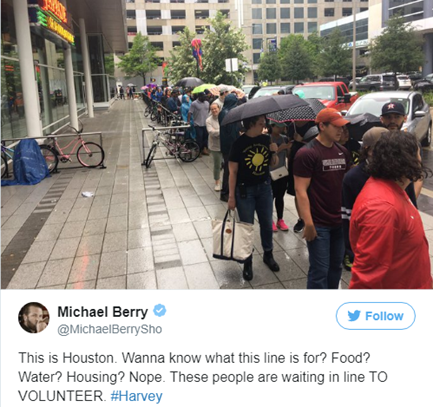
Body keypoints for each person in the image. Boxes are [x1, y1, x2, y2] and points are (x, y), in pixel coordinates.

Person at [349, 131, 432, 289]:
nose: (421, 159)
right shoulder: (382, 208)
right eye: (418, 154)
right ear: (409, 160)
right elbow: (365, 280)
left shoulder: (394, 190)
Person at [341, 127, 419, 272]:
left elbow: (411, 205)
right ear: (368, 150)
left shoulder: (399, 172)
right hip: (369, 247)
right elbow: (348, 217)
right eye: (382, 148)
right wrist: (350, 251)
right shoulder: (353, 178)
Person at [294, 108, 351, 289]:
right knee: (319, 270)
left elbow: (346, 186)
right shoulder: (307, 153)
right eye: (336, 126)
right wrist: (308, 223)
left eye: (342, 127)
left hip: (339, 222)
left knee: (335, 268)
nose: (341, 130)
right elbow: (300, 190)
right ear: (322, 126)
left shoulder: (343, 152)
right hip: (319, 224)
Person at [228, 114, 280, 281]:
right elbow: (232, 172)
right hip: (245, 191)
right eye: (260, 123)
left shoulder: (266, 139)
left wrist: (274, 152)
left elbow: (273, 164)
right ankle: (247, 261)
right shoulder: (238, 144)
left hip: (264, 188)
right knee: (246, 227)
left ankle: (268, 254)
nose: (263, 126)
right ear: (251, 124)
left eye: (264, 123)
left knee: (266, 223)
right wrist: (231, 197)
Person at [380, 101, 424, 199]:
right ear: (381, 119)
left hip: (406, 199)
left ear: (405, 118)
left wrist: (410, 202)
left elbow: (418, 176)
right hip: (382, 201)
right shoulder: (376, 142)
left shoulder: (411, 144)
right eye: (388, 117)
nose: (392, 121)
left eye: (397, 117)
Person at [287, 121, 319, 233]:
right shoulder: (292, 126)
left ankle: (311, 216)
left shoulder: (312, 125)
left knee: (311, 190)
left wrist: (302, 141)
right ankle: (301, 219)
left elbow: (316, 142)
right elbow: (289, 141)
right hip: (295, 160)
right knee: (298, 191)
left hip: (310, 161)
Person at [269, 122, 291, 232]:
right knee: (270, 197)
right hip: (271, 172)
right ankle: (270, 220)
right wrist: (279, 149)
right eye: (277, 127)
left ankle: (280, 219)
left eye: (281, 127)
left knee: (280, 196)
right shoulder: (268, 139)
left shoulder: (285, 138)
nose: (280, 129)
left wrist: (288, 148)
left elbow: (288, 156)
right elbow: (269, 157)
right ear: (272, 127)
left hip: (282, 171)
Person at [219, 93, 240, 202]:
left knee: (228, 169)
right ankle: (225, 192)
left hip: (225, 145)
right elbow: (232, 133)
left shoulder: (223, 112)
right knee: (229, 170)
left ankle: (227, 191)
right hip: (230, 146)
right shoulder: (229, 113)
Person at [206, 102, 222, 191]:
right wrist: (221, 131)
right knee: (217, 164)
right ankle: (217, 182)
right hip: (214, 146)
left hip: (224, 144)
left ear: (219, 108)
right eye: (212, 109)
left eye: (215, 108)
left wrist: (217, 131)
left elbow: (217, 132)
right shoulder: (208, 120)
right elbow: (211, 132)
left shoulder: (223, 118)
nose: (214, 110)